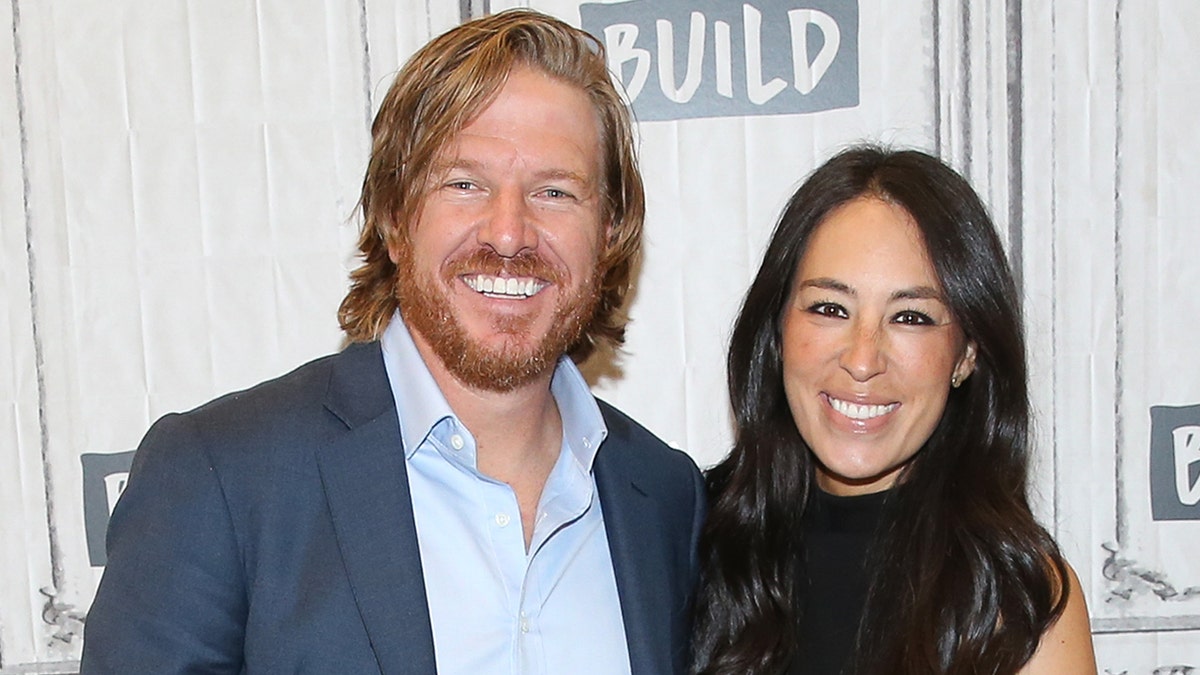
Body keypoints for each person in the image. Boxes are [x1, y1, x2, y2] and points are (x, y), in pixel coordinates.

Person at [81, 9, 704, 674]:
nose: (509, 232)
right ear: (394, 216)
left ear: (609, 231)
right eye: (465, 183)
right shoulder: (222, 478)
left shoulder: (665, 499)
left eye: (555, 191)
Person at [691, 146, 1096, 674]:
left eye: (911, 317)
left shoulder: (1019, 601)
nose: (863, 360)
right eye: (830, 309)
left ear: (967, 353)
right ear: (777, 331)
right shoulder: (686, 545)